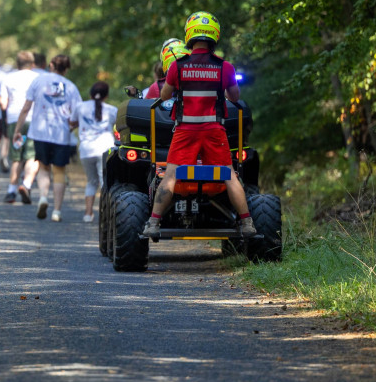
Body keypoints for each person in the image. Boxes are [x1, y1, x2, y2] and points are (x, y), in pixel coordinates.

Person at [141, 12, 256, 239]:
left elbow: (165, 95)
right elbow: (234, 97)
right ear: (215, 35)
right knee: (229, 175)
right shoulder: (225, 67)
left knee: (170, 176)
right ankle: (247, 223)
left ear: (189, 35)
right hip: (214, 130)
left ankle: (154, 223)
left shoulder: (177, 66)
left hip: (185, 131)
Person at [12, 54, 81, 222]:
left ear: (51, 65)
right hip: (61, 134)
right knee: (59, 171)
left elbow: (26, 107)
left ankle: (43, 197)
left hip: (40, 132)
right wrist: (71, 127)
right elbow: (77, 114)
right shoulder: (71, 87)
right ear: (66, 69)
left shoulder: (38, 81)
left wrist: (17, 130)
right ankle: (57, 210)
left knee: (43, 168)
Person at [0, 51, 40, 203]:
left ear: (17, 64)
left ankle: (11, 190)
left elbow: (3, 103)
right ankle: (26, 184)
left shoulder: (8, 78)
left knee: (16, 156)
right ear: (32, 64)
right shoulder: (38, 78)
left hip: (14, 120)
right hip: (34, 120)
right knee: (32, 155)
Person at [77, 82, 118, 222]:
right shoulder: (112, 110)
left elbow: (71, 122)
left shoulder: (80, 107)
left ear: (90, 94)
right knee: (104, 182)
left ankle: (88, 214)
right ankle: (107, 215)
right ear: (106, 95)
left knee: (91, 182)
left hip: (86, 150)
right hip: (105, 148)